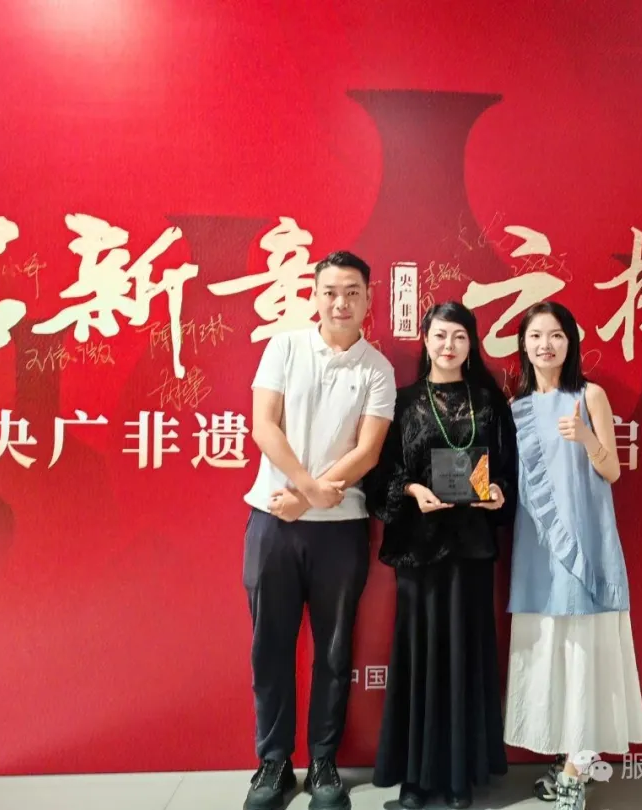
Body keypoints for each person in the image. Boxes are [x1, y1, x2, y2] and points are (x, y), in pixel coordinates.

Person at [241, 250, 396, 810]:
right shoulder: (284, 347)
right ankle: (274, 763)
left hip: (340, 529)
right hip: (273, 521)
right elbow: (264, 426)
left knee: (334, 650)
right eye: (330, 291)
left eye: (352, 292)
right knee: (271, 646)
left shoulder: (378, 369)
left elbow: (368, 451)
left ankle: (324, 761)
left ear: (369, 299)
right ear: (314, 295)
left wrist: (305, 498)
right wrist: (306, 489)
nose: (340, 302)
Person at [366, 301, 517, 810]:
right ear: (425, 342)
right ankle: (415, 779)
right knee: (419, 660)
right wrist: (412, 491)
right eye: (439, 336)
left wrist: (497, 492)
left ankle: (458, 778)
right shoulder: (404, 401)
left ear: (471, 344)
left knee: (464, 659)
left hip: (471, 549)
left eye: (458, 336)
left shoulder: (489, 402)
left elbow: (508, 470)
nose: (448, 346)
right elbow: (382, 473)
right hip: (420, 548)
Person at [503, 301, 642, 810]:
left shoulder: (590, 395)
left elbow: (612, 471)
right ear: (523, 345)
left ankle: (575, 770)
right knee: (549, 650)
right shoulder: (516, 407)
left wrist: (585, 435)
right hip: (536, 549)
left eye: (556, 335)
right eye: (536, 336)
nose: (546, 345)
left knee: (585, 651)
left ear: (571, 343)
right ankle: (569, 757)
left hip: (586, 541)